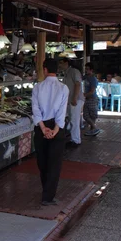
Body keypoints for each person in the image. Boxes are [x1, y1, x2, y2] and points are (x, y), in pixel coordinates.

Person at [32, 58, 69, 206]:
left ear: (45, 69)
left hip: (41, 126)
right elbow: (62, 111)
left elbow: (35, 110)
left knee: (43, 161)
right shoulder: (64, 88)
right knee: (55, 163)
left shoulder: (37, 87)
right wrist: (54, 130)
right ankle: (48, 196)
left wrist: (43, 128)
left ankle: (46, 191)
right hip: (56, 127)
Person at [59, 58, 84, 148]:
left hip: (75, 99)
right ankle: (73, 138)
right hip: (70, 100)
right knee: (72, 119)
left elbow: (78, 84)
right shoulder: (66, 73)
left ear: (67, 63)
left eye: (61, 62)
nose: (60, 65)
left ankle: (76, 140)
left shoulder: (74, 71)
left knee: (74, 120)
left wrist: (75, 98)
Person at [83, 62, 101, 136]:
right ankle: (93, 128)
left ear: (91, 70)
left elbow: (92, 91)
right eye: (85, 69)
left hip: (92, 98)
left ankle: (93, 128)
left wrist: (83, 95)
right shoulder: (85, 77)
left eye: (87, 69)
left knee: (92, 115)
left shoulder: (93, 79)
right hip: (87, 98)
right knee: (85, 115)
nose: (86, 70)